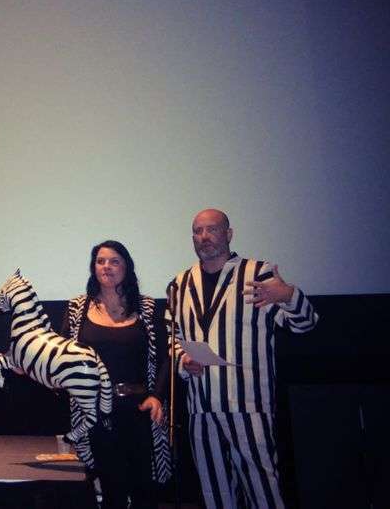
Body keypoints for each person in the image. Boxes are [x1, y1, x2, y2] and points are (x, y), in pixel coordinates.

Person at [166, 209, 318, 509]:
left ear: (229, 234)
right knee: (215, 496)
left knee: (265, 494)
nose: (204, 237)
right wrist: (184, 361)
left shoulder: (257, 274)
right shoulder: (179, 283)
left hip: (249, 408)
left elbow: (305, 323)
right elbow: (173, 337)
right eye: (197, 231)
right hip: (201, 411)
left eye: (212, 230)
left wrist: (287, 294)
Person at [61, 240, 171, 509]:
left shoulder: (148, 308)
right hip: (96, 412)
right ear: (93, 267)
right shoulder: (77, 308)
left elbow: (166, 357)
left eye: (114, 261)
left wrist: (157, 396)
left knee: (145, 491)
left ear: (127, 267)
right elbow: (62, 356)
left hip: (139, 410)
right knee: (111, 492)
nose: (106, 267)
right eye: (100, 261)